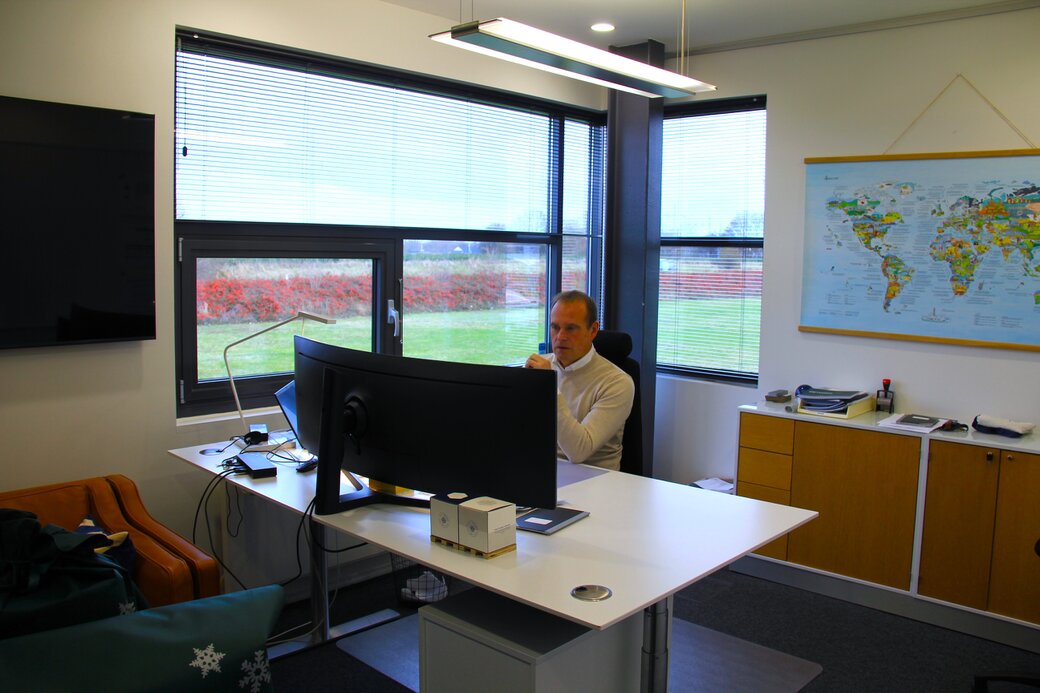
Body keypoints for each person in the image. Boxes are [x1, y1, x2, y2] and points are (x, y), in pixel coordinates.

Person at [524, 291, 634, 471]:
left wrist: (549, 387)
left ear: (593, 330)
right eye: (555, 327)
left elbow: (579, 451)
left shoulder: (617, 382)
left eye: (571, 328)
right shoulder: (539, 366)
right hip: (542, 470)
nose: (560, 337)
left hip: (593, 479)